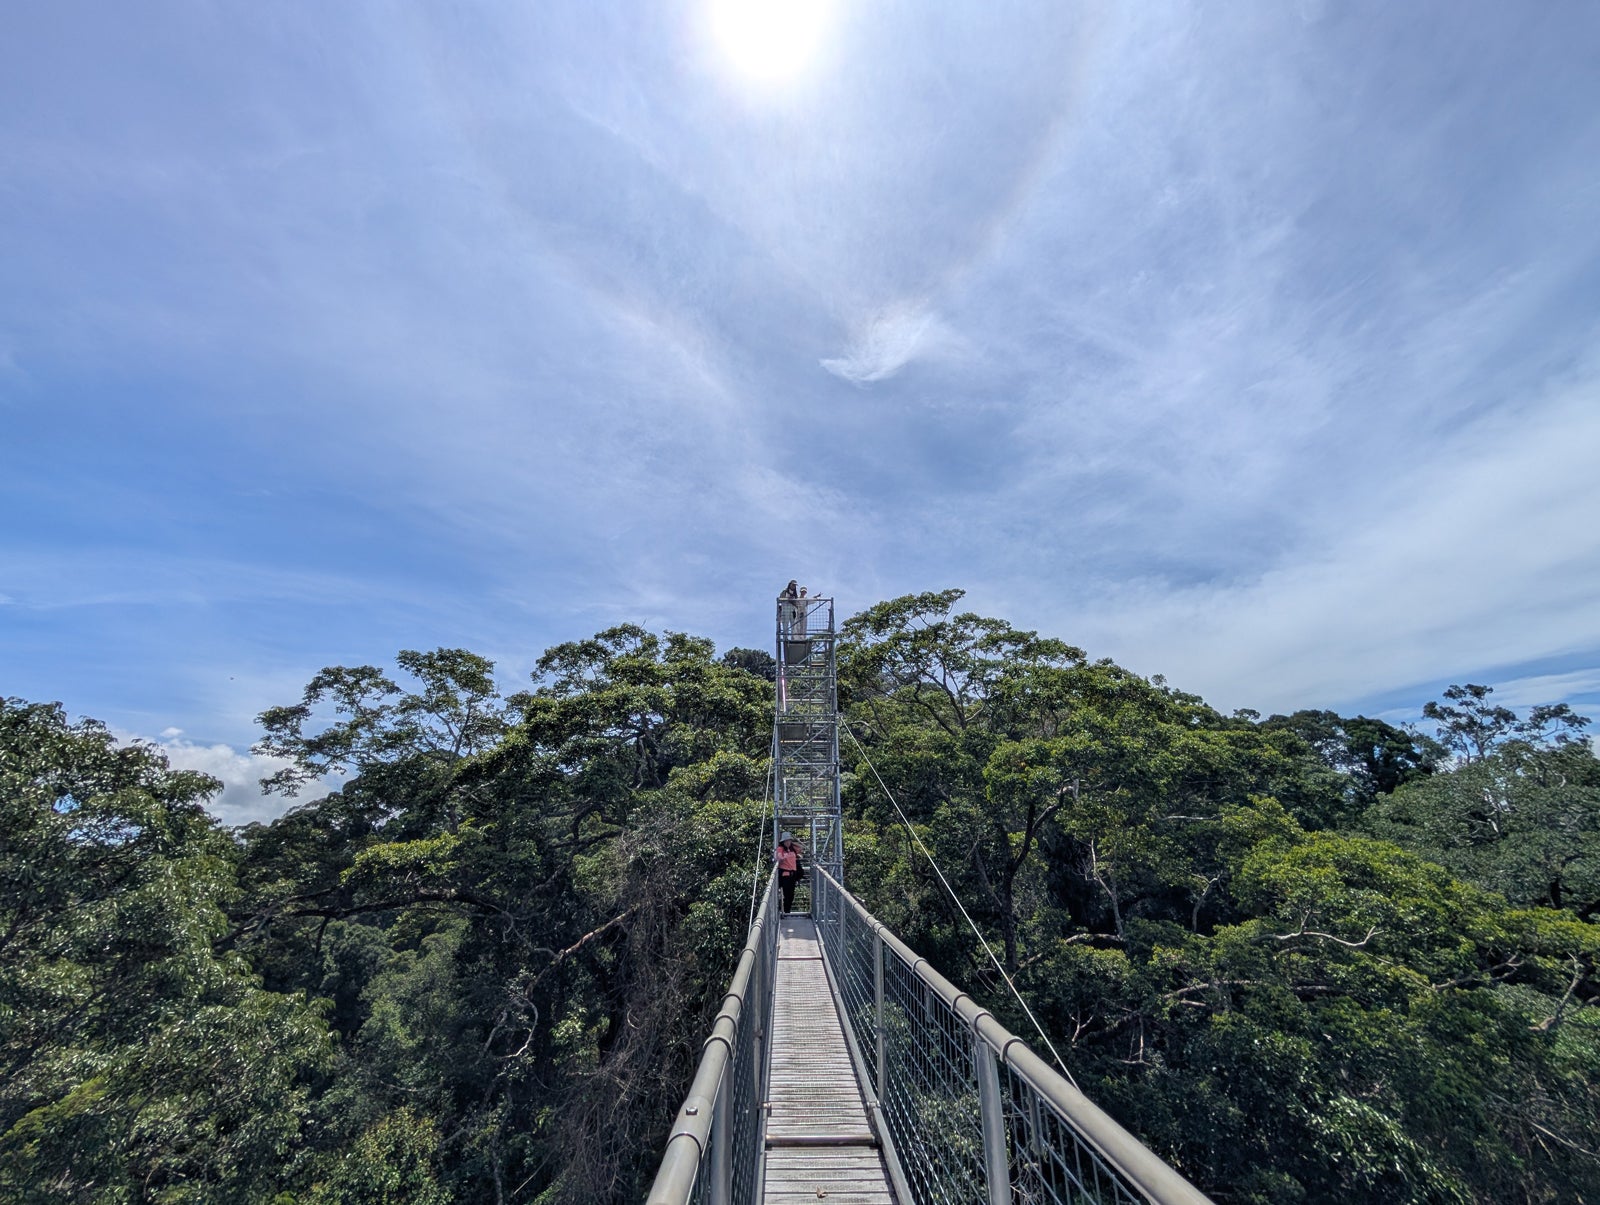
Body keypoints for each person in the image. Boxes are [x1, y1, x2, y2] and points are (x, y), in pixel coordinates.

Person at [775, 831, 806, 914]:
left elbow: (802, 848)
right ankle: (785, 912)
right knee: (787, 895)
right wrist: (786, 855)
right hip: (785, 875)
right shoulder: (780, 848)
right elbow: (778, 857)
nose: (788, 842)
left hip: (793, 875)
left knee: (791, 895)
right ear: (783, 842)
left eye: (789, 840)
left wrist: (794, 842)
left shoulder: (792, 848)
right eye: (786, 841)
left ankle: (787, 911)